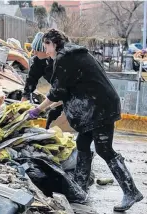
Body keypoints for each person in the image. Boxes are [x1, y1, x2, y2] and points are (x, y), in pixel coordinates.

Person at [28, 29, 143, 212]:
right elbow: (64, 91)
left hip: (100, 108)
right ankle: (79, 188)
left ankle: (131, 191)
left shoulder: (65, 57)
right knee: (82, 143)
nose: (46, 50)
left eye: (47, 45)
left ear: (54, 43)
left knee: (104, 149)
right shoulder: (72, 54)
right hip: (94, 107)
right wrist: (46, 107)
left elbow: (56, 91)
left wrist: (37, 109)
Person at [22, 32, 64, 129]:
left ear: (45, 49)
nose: (34, 52)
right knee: (50, 114)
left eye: (37, 50)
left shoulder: (60, 62)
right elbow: (31, 79)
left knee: (54, 114)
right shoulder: (38, 61)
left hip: (70, 94)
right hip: (57, 92)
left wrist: (42, 108)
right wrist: (23, 101)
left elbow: (62, 91)